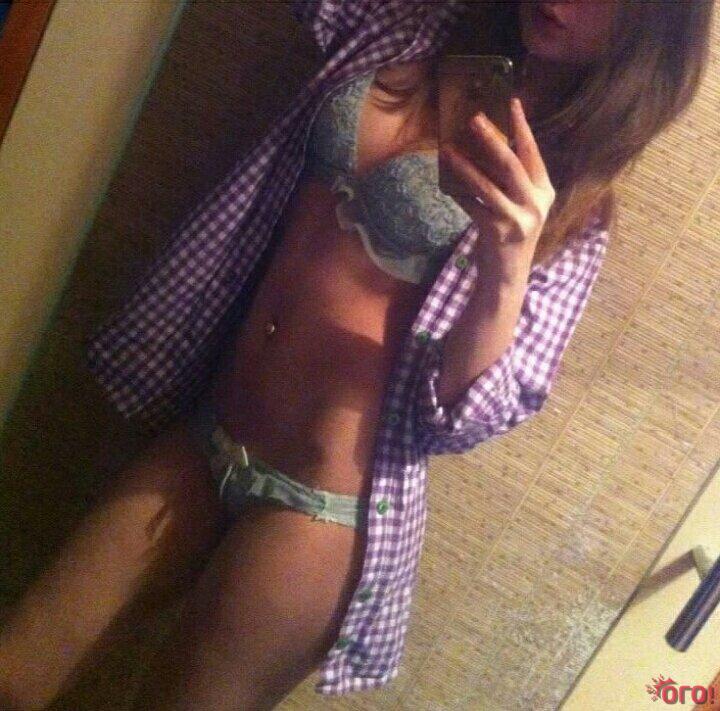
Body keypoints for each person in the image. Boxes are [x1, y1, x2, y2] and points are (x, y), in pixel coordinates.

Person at [0, 0, 713, 709]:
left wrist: (507, 265)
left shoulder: (573, 208)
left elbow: (463, 417)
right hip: (207, 430)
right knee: (15, 670)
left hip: (315, 512)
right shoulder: (412, 25)